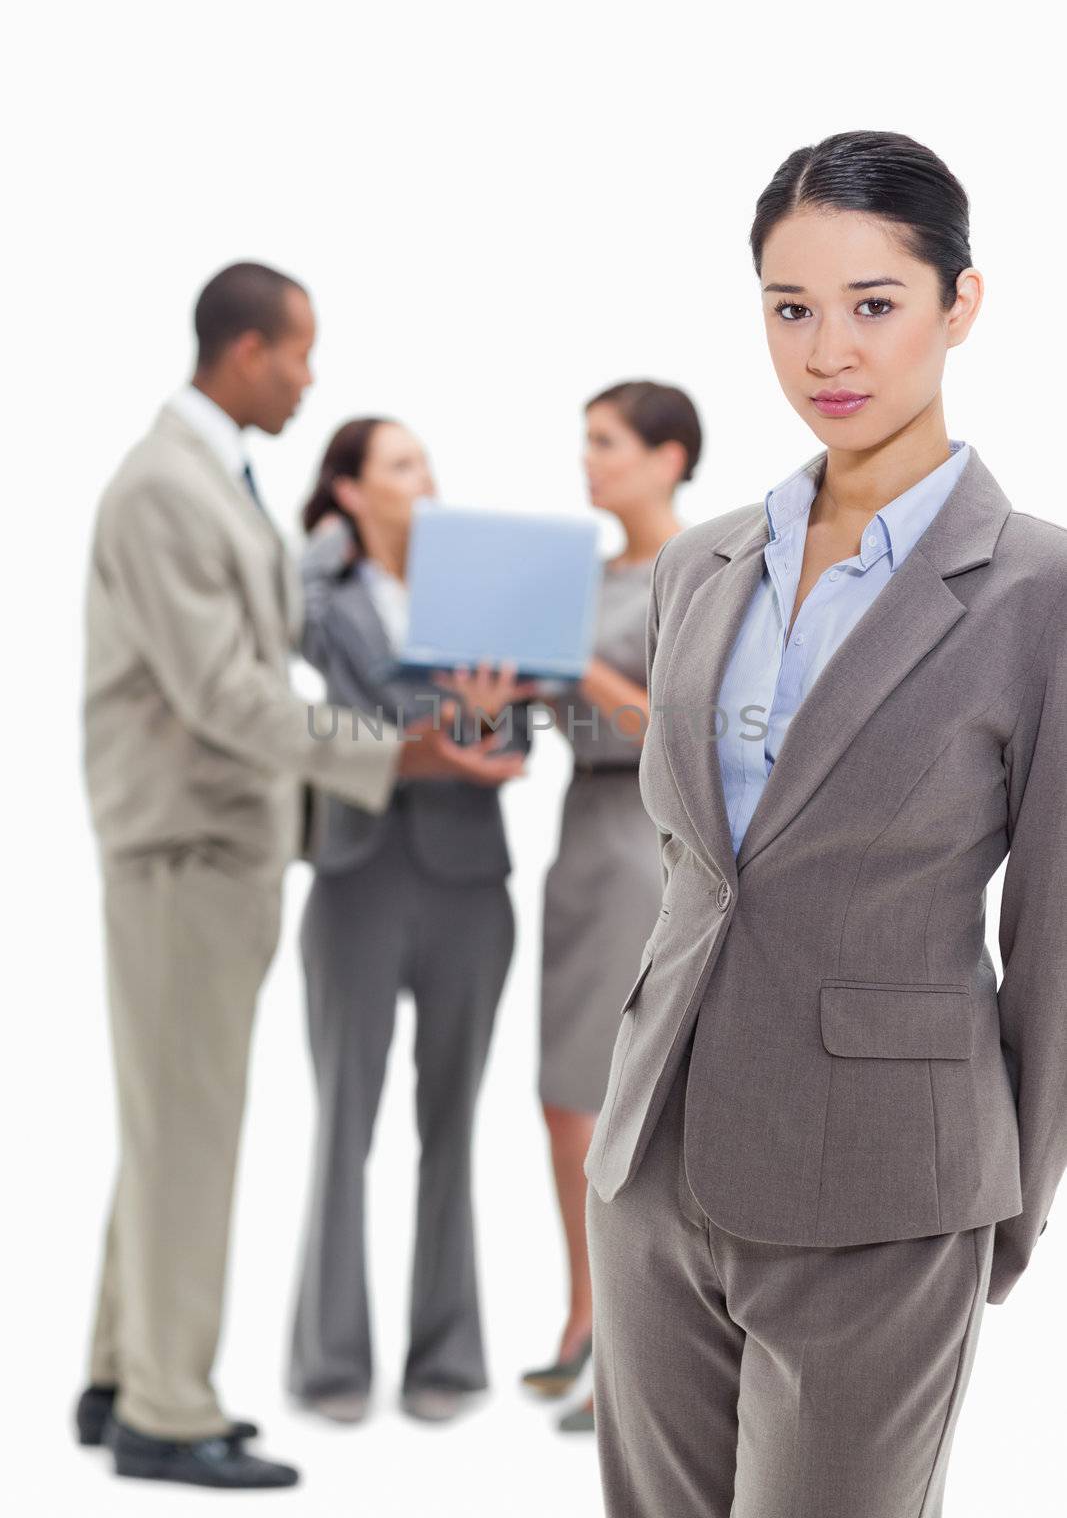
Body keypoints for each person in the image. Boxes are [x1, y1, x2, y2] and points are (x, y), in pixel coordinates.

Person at [584, 130, 1067, 1517]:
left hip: (882, 1182)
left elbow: (1050, 940)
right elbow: (699, 868)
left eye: (871, 304)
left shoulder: (1034, 589)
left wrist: (1003, 1206)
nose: (825, 351)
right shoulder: (700, 562)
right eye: (788, 309)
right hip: (652, 1158)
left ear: (956, 305)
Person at [76, 266, 523, 1491]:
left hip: (221, 842)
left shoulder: (219, 479)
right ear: (244, 349)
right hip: (189, 844)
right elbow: (226, 693)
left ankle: (119, 1374)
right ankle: (169, 1412)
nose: (310, 376)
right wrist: (403, 751)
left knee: (171, 1116)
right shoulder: (169, 484)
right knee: (195, 1128)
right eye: (298, 354)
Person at [287, 418, 534, 1426]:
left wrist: (472, 724)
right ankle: (329, 1364)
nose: (421, 478)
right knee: (342, 1122)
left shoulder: (473, 587)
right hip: (354, 870)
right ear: (348, 490)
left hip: (467, 877)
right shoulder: (323, 593)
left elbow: (507, 737)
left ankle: (446, 1358)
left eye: (423, 461)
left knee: (451, 1125)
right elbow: (263, 636)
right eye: (397, 464)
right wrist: (318, 545)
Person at [520, 382, 700, 1432]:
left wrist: (569, 663)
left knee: (633, 1105)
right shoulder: (578, 579)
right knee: (563, 1097)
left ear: (667, 456)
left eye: (608, 444)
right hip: (577, 841)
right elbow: (557, 712)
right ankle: (584, 1316)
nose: (588, 463)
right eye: (583, 443)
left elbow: (668, 727)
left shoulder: (701, 571)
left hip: (650, 840)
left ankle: (638, 1350)